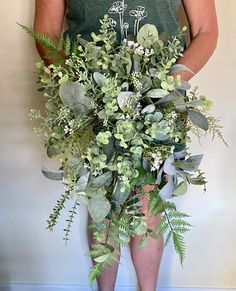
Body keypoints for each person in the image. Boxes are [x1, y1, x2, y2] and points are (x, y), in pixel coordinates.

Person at [34, 1, 218, 290]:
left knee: (147, 201)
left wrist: (164, 85)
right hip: (91, 102)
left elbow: (206, 31)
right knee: (102, 204)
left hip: (159, 100)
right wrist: (82, 89)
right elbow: (45, 31)